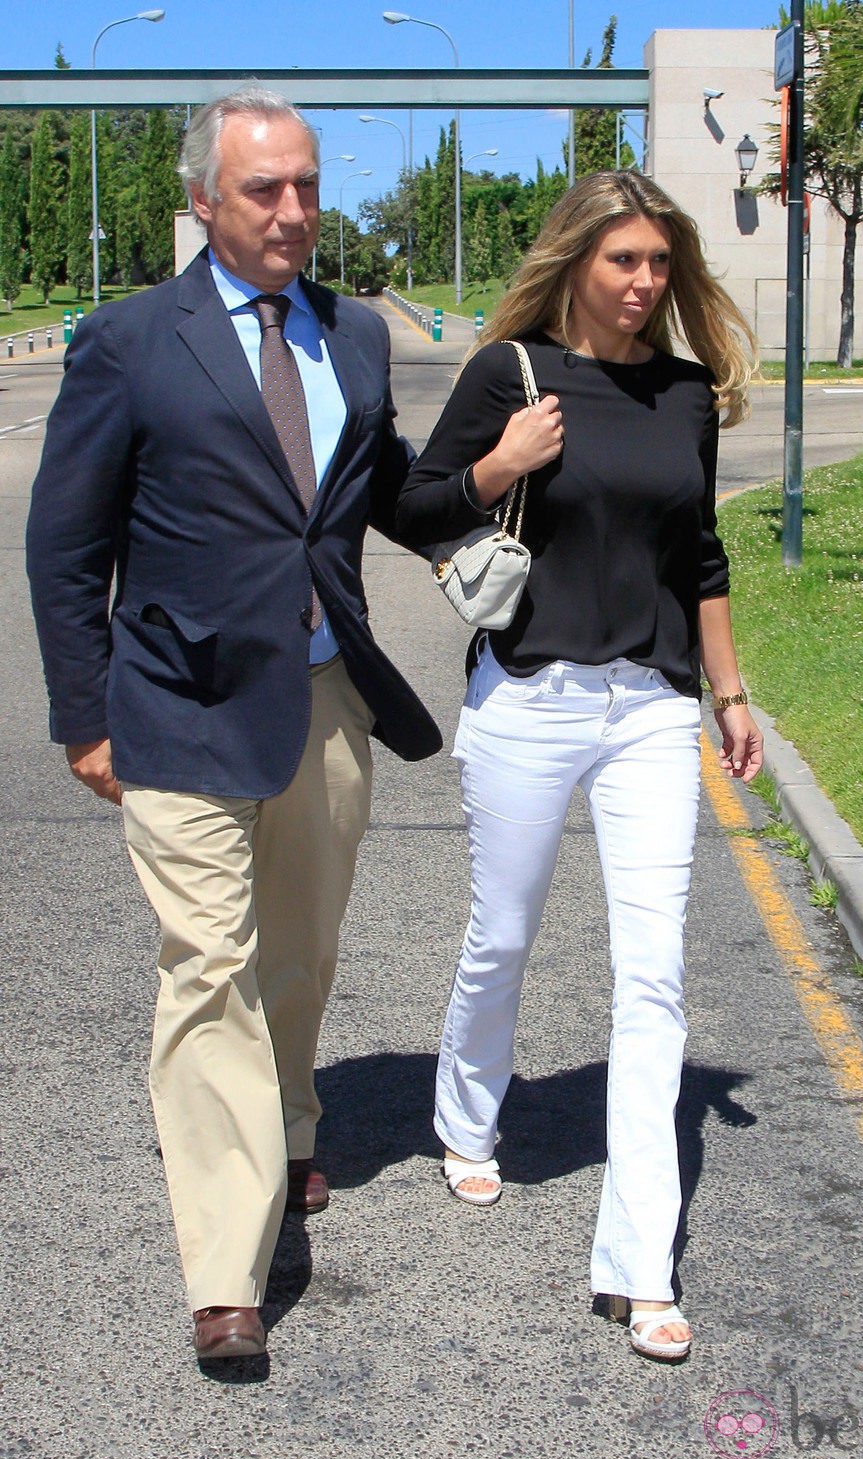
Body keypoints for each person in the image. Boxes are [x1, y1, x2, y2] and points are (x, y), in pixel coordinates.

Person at [25, 86, 440, 1363]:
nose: (295, 212)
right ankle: (226, 1266)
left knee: (299, 954)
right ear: (203, 200)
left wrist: (502, 481)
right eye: (265, 190)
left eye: (308, 186)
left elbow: (377, 495)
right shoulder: (131, 340)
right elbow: (65, 540)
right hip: (177, 705)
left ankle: (296, 1126)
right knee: (208, 967)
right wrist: (84, 717)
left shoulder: (353, 335)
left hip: (321, 697)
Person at [395, 170, 763, 1363]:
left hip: (648, 708)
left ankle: (637, 1266)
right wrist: (500, 464)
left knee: (650, 973)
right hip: (528, 697)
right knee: (501, 933)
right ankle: (465, 1120)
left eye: (660, 263)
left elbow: (697, 553)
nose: (645, 283)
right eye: (623, 262)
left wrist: (729, 691)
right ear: (576, 266)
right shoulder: (508, 375)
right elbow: (410, 509)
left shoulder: (683, 393)